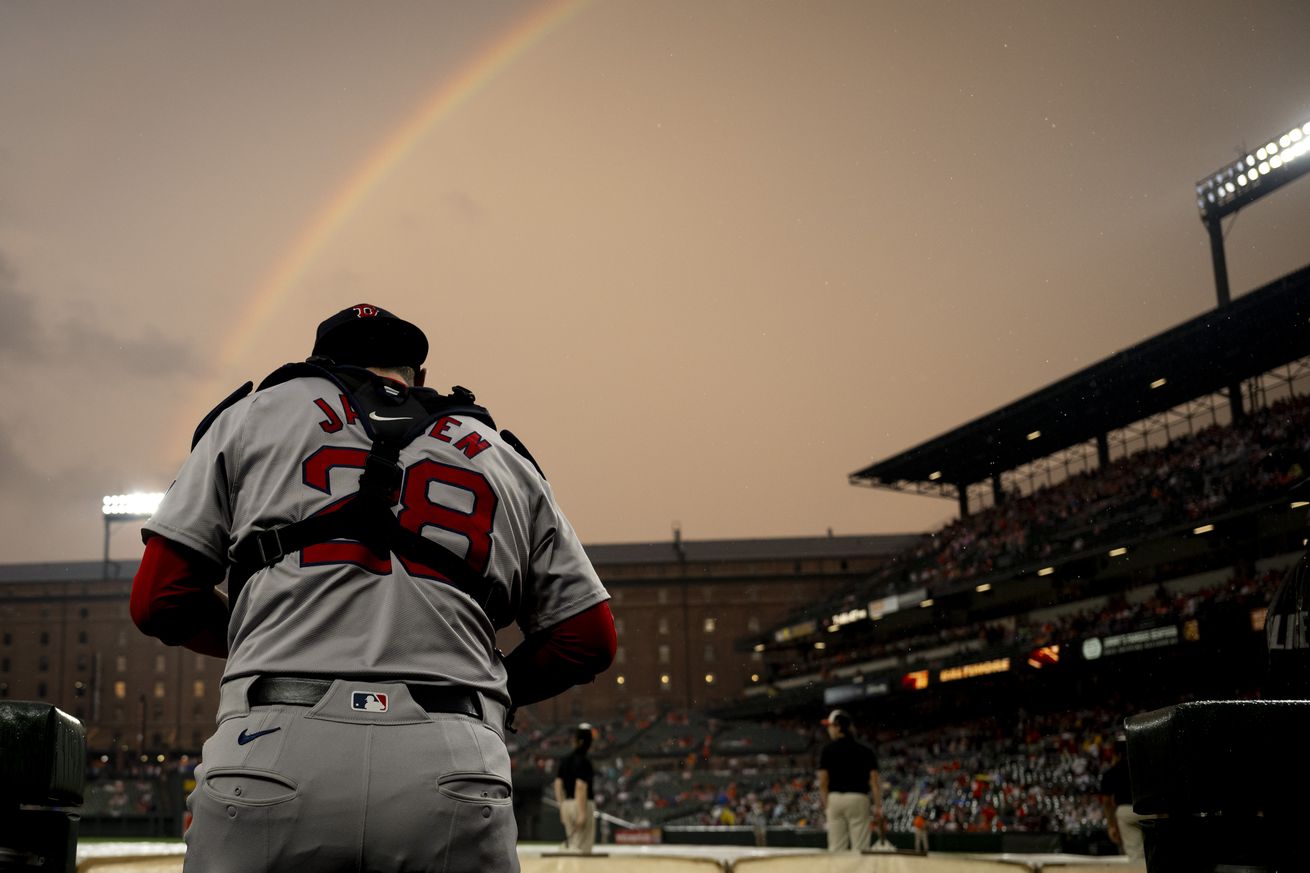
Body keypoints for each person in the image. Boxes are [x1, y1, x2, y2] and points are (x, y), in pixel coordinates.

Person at [131, 304, 617, 873]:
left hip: (270, 744)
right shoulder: (503, 456)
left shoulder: (251, 416)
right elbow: (589, 636)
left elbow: (158, 599)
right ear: (418, 377)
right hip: (454, 754)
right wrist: (492, 680)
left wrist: (264, 635)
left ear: (319, 363)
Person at [817, 708, 882, 852]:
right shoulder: (866, 750)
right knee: (860, 848)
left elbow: (822, 782)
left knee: (836, 848)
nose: (828, 729)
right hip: (858, 798)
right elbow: (874, 782)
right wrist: (878, 806)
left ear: (838, 727)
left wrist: (827, 804)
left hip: (835, 799)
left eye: (830, 726)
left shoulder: (827, 750)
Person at [1099, 729, 1144, 862]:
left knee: (1136, 855)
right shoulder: (1146, 767)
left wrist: (1111, 825)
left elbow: (1106, 802)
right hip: (1149, 810)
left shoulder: (1111, 772)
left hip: (1126, 811)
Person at [554, 723, 597, 853]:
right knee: (582, 850)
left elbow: (557, 784)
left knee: (572, 847)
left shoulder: (565, 760)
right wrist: (582, 813)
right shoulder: (585, 761)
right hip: (581, 804)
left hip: (566, 805)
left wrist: (561, 807)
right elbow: (580, 786)